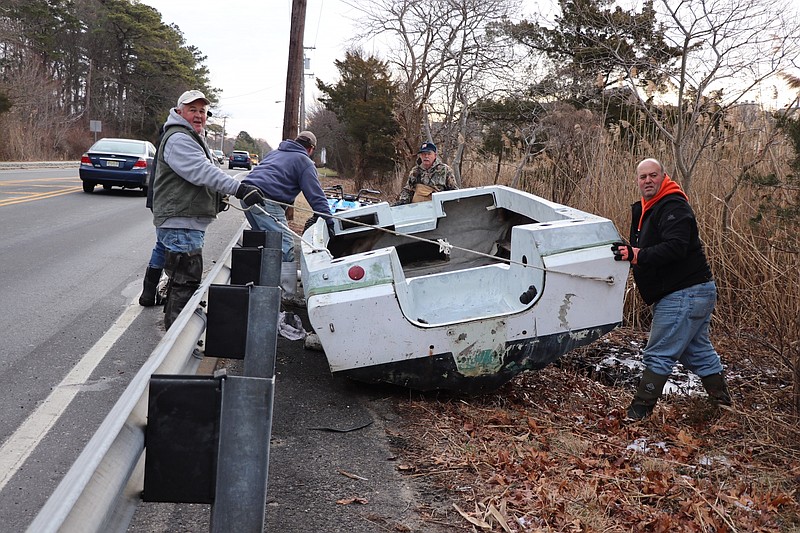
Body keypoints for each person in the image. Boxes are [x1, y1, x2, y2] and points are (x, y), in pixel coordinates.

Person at [612, 158, 731, 420]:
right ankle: (724, 407)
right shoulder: (648, 209)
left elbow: (675, 247)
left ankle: (638, 414)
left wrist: (637, 255)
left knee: (658, 353)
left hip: (684, 293)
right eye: (643, 177)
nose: (648, 181)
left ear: (663, 177)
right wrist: (629, 252)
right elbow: (645, 250)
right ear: (637, 181)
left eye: (653, 175)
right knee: (698, 352)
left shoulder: (673, 206)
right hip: (694, 291)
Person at [148, 89, 265, 328]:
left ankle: (153, 300)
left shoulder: (190, 136)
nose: (199, 115)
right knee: (185, 281)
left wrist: (218, 195)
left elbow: (201, 175)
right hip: (181, 220)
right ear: (179, 112)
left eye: (202, 111)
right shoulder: (179, 138)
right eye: (193, 110)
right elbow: (202, 172)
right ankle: (175, 339)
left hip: (183, 219)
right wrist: (238, 189)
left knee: (177, 276)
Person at [239, 130, 332, 262]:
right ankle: (284, 281)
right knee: (285, 247)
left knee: (265, 242)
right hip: (265, 200)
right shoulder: (304, 162)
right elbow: (316, 196)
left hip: (246, 195)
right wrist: (329, 221)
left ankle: (263, 277)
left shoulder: (274, 153)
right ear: (311, 149)